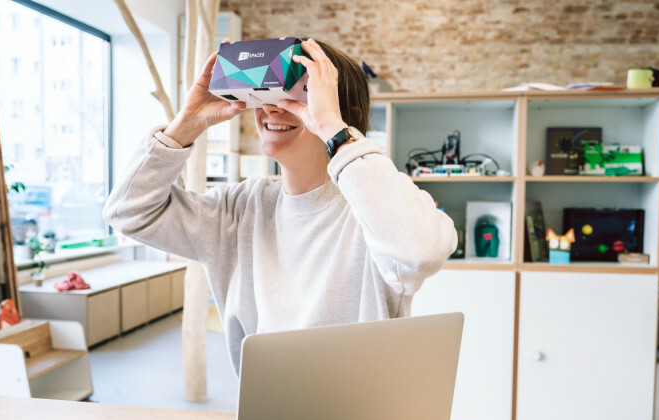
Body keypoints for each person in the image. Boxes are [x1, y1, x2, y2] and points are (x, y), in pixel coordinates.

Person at [104, 38, 457, 376]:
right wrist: (188, 123)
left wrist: (335, 130)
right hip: (268, 415)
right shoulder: (239, 210)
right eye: (269, 94)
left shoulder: (377, 206)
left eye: (299, 96)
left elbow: (419, 254)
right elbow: (128, 212)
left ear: (346, 114)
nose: (272, 107)